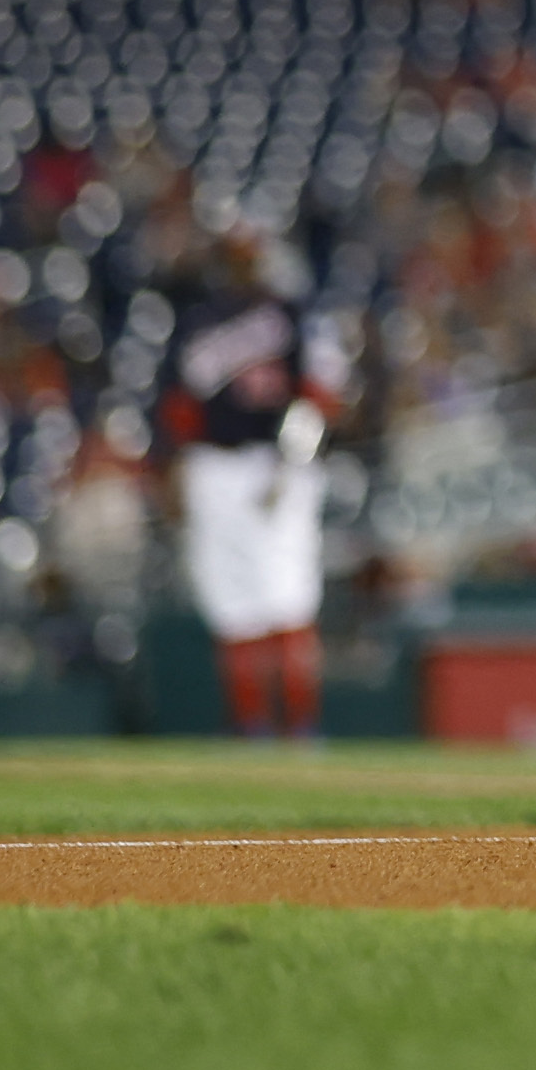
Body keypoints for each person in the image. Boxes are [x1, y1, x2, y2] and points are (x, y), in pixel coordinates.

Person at [160, 225, 345, 740]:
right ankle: (250, 721)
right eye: (232, 258)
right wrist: (177, 472)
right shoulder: (198, 319)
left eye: (247, 257)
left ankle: (303, 722)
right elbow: (179, 409)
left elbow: (317, 395)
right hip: (215, 465)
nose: (239, 267)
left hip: (276, 459)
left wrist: (291, 463)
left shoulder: (294, 313)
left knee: (289, 593)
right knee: (229, 597)